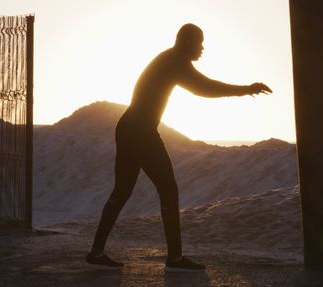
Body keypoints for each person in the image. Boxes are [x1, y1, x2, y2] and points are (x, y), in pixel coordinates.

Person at [86, 23, 272, 271]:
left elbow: (201, 86)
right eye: (199, 43)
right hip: (140, 131)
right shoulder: (175, 61)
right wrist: (245, 89)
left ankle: (96, 253)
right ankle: (174, 258)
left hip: (128, 127)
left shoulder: (170, 59)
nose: (202, 48)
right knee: (168, 190)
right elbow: (204, 88)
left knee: (121, 193)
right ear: (186, 42)